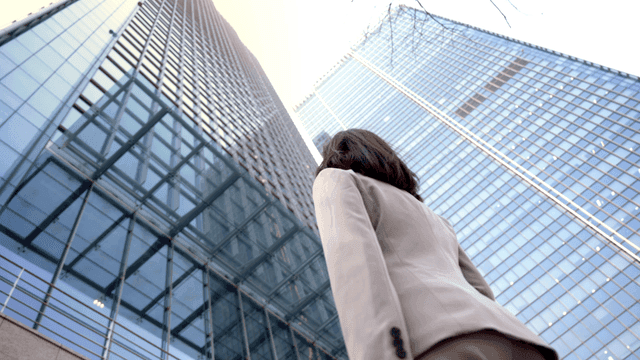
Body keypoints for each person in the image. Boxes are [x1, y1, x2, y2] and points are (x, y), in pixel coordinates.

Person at [312, 129, 558, 360]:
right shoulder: (436, 219)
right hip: (515, 340)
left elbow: (357, 277)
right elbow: (481, 290)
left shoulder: (336, 180)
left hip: (439, 343)